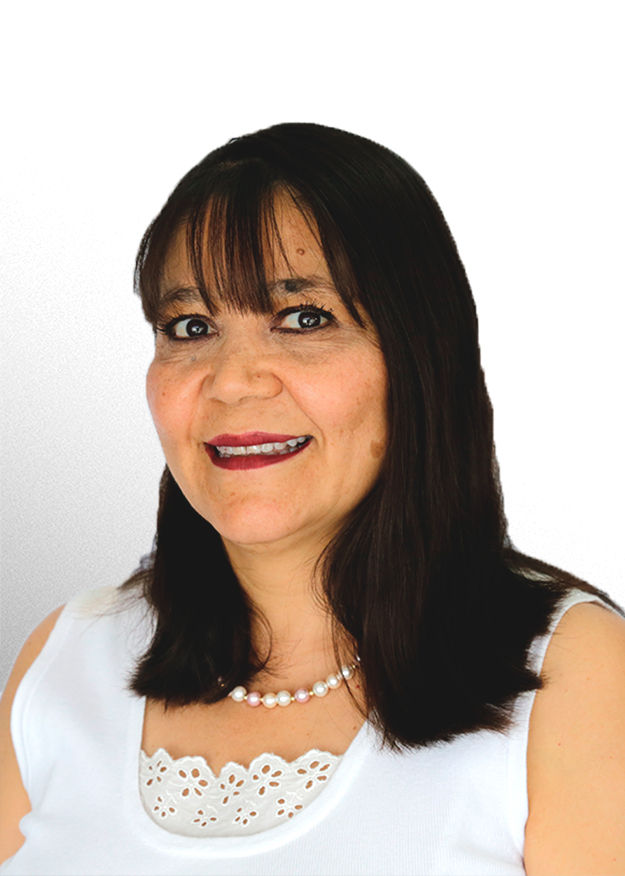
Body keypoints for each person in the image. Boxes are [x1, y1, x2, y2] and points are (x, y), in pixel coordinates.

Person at [1, 122, 624, 875]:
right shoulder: (65, 661)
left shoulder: (572, 676)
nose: (232, 380)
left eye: (303, 318)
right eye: (190, 327)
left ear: (419, 356)